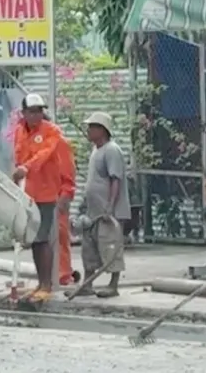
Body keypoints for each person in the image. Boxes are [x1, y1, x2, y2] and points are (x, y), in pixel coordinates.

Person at [12, 93, 66, 301]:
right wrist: (18, 173)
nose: (36, 116)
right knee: (34, 239)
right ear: (24, 113)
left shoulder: (52, 131)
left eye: (39, 111)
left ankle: (47, 284)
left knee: (42, 237)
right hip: (26, 193)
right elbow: (18, 157)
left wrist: (26, 167)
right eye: (32, 112)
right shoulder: (19, 131)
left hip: (45, 192)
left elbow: (44, 154)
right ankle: (40, 282)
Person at [77, 111, 131, 298]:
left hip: (109, 211)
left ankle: (113, 285)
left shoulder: (111, 150)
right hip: (94, 211)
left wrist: (110, 206)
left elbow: (115, 179)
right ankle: (88, 283)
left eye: (92, 127)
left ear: (102, 130)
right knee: (89, 248)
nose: (88, 130)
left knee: (111, 247)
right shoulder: (96, 150)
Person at [55, 125, 78, 288]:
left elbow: (68, 174)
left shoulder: (59, 143)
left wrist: (65, 196)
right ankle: (52, 273)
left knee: (60, 236)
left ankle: (64, 274)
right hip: (41, 197)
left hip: (57, 198)